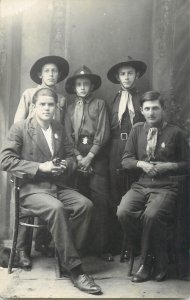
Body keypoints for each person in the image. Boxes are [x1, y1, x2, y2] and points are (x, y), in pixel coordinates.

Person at [0, 88, 102, 295]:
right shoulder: (20, 128)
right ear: (34, 106)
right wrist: (40, 167)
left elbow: (72, 156)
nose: (47, 108)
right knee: (57, 209)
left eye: (51, 105)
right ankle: (76, 270)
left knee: (85, 206)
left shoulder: (58, 128)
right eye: (43, 104)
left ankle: (67, 257)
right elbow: (5, 160)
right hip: (30, 190)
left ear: (56, 107)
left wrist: (66, 164)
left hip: (57, 186)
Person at [117, 91, 189, 282]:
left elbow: (187, 164)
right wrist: (141, 164)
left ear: (163, 109)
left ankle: (147, 263)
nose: (151, 113)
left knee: (151, 215)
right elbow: (126, 160)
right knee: (123, 211)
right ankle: (153, 255)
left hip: (167, 187)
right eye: (147, 109)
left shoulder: (176, 133)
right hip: (141, 185)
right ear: (141, 110)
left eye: (155, 108)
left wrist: (169, 166)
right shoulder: (137, 130)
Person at [14, 55, 69, 259]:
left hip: (50, 149)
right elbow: (18, 123)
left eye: (54, 71)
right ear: (40, 74)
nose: (51, 74)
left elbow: (61, 128)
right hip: (29, 149)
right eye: (47, 71)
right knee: (30, 194)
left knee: (53, 194)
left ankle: (43, 242)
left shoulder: (61, 99)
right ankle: (22, 249)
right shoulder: (29, 94)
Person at [64, 66, 112, 260]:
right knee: (79, 200)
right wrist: (77, 157)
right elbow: (67, 136)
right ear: (74, 87)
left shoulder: (100, 104)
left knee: (100, 200)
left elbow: (103, 132)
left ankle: (102, 247)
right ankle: (78, 247)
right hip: (77, 154)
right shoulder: (69, 108)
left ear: (91, 85)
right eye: (79, 84)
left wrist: (90, 156)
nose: (82, 87)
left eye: (85, 84)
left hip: (96, 154)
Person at [107, 56, 146, 253]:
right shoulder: (113, 99)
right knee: (115, 192)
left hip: (135, 145)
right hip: (115, 146)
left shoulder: (142, 99)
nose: (126, 77)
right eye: (123, 74)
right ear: (117, 77)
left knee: (135, 190)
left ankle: (134, 243)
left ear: (137, 75)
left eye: (130, 73)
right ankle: (117, 243)